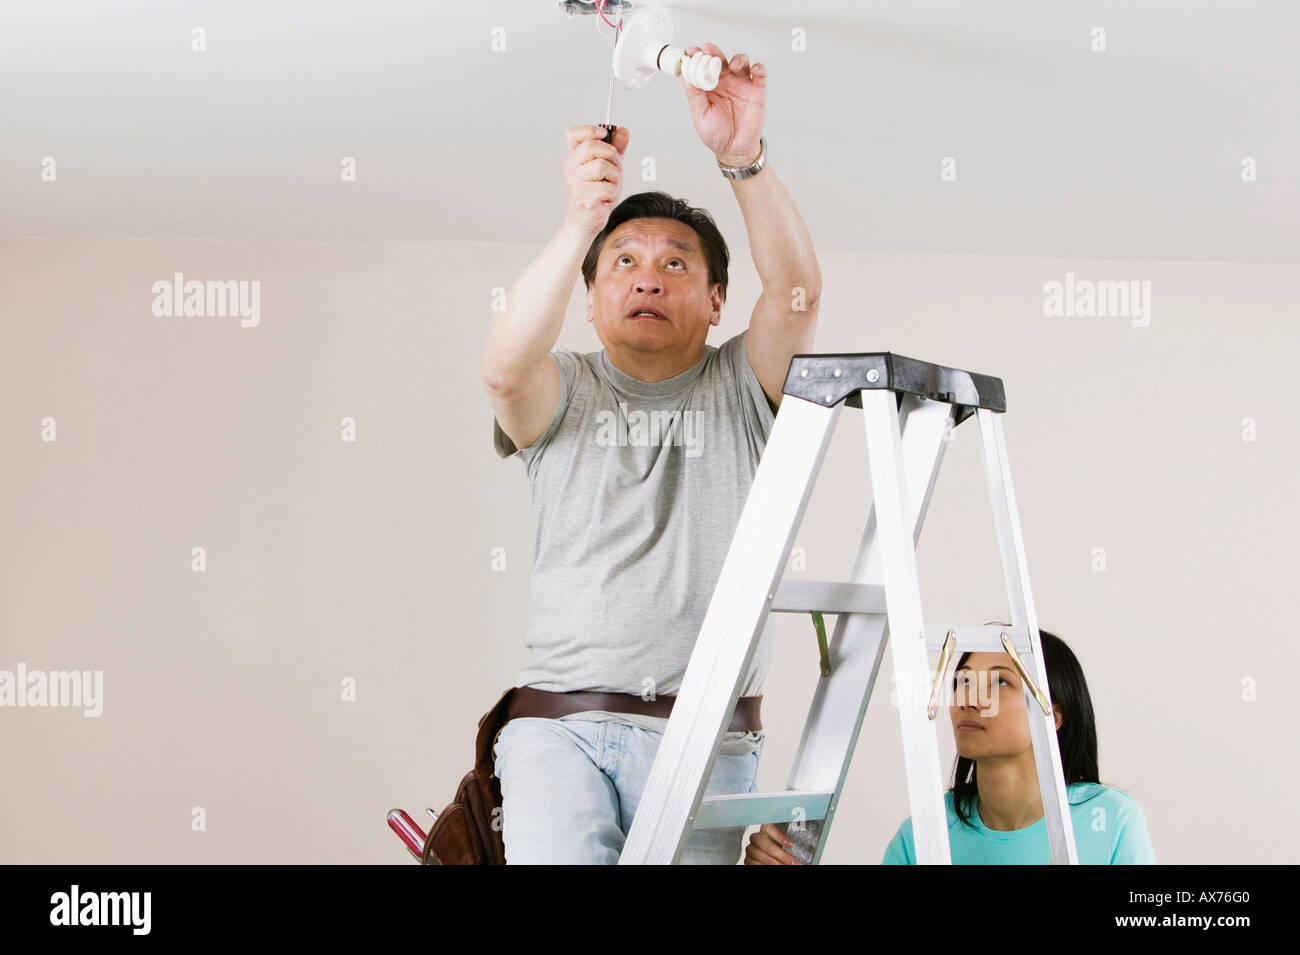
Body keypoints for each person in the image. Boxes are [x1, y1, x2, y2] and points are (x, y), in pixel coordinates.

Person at [481, 44, 821, 863]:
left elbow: (798, 296)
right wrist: (578, 224)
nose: (647, 278)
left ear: (712, 302)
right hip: (562, 726)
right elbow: (500, 369)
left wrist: (743, 161)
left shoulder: (744, 383)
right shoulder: (563, 388)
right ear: (592, 302)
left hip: (710, 739)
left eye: (676, 264)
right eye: (623, 263)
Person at [744, 626, 1157, 864]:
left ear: (1054, 714)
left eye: (1000, 681)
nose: (971, 699)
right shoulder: (925, 833)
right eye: (963, 681)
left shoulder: (1111, 821)